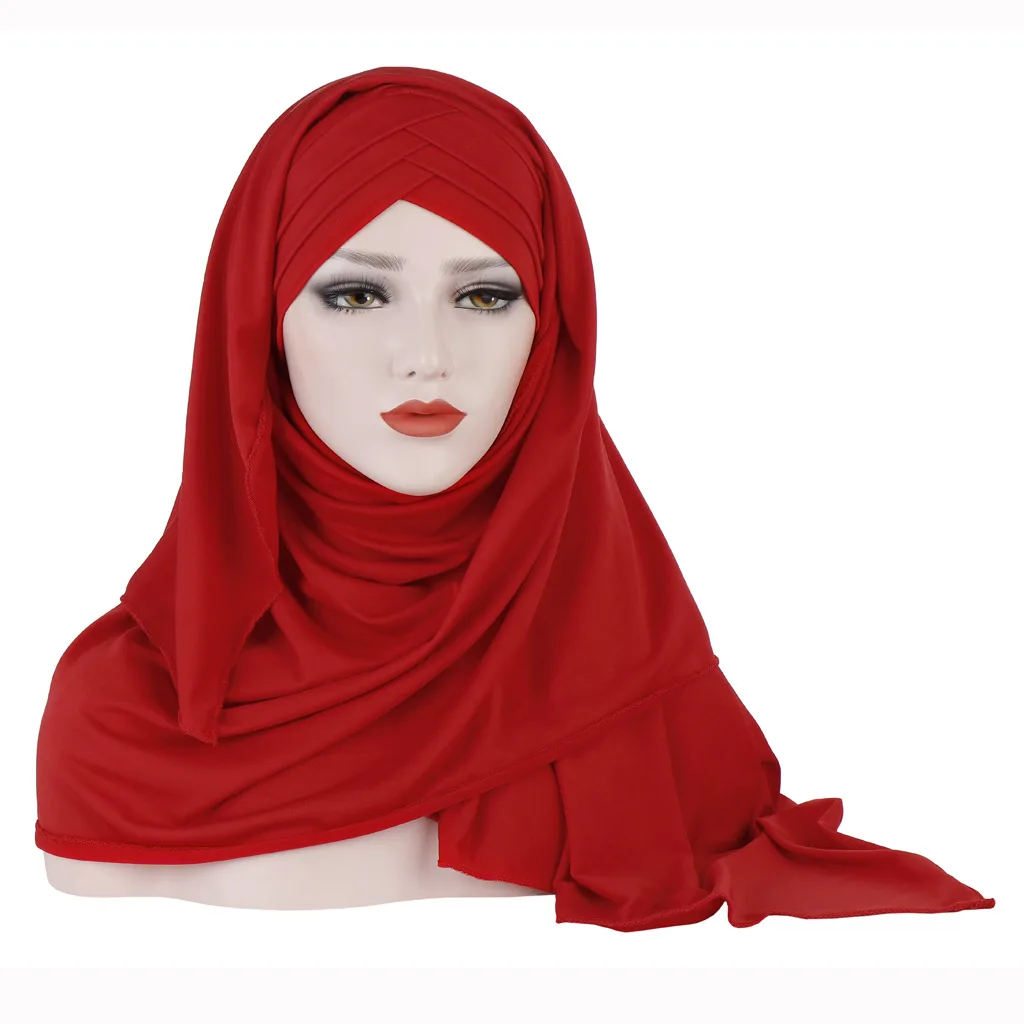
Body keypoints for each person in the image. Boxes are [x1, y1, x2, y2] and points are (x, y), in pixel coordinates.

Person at [35, 65, 995, 930]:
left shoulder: (635, 678)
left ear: (553, 327)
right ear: (257, 322)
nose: (427, 357)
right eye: (358, 296)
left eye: (485, 296)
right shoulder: (122, 723)